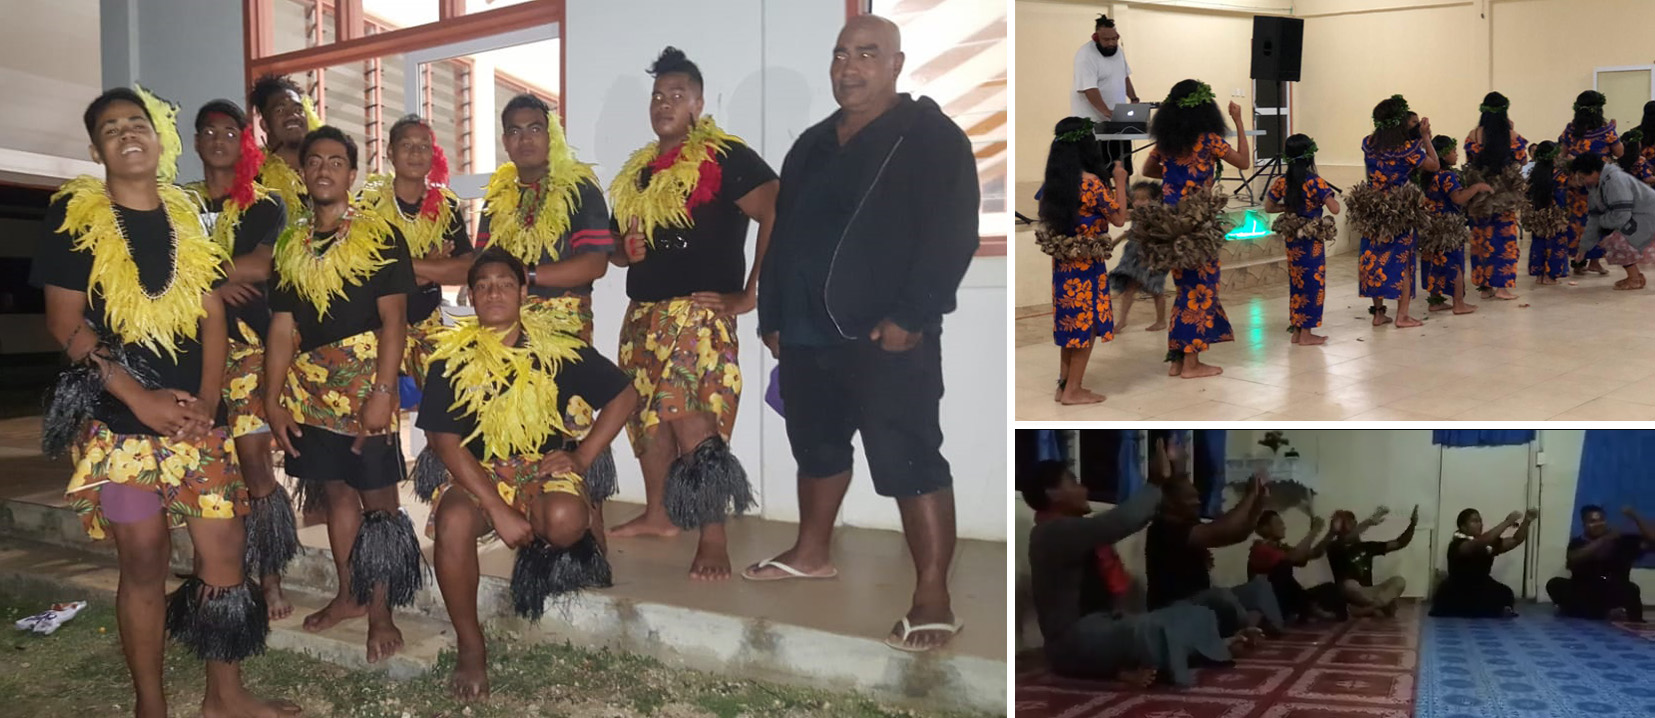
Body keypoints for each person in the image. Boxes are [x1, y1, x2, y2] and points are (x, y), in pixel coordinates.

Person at [34, 86, 299, 718]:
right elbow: (65, 324)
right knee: (145, 560)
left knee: (224, 556)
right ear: (96, 147)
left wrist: (209, 399)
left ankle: (224, 695)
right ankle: (150, 704)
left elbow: (211, 310)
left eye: (138, 123)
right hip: (122, 425)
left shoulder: (184, 215)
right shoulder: (75, 220)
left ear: (159, 140)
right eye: (111, 127)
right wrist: (139, 398)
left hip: (197, 420)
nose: (127, 133)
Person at [749, 15, 979, 654]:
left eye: (867, 54)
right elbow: (785, 232)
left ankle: (932, 592)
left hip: (888, 337)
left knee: (909, 457)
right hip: (803, 335)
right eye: (841, 55)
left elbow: (952, 234)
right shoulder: (813, 144)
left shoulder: (930, 138)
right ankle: (811, 551)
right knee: (815, 447)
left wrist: (914, 315)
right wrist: (772, 314)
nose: (849, 68)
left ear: (897, 64)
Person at [422, 247, 638, 700]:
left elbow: (624, 395)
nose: (493, 292)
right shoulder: (448, 358)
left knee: (562, 520)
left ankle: (553, 539)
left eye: (504, 283)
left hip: (543, 468)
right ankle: (471, 645)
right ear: (471, 297)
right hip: (479, 472)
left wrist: (581, 456)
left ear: (523, 291)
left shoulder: (557, 347)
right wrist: (498, 509)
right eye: (482, 286)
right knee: (454, 520)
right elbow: (444, 442)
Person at [605, 47, 779, 581]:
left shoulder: (726, 157)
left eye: (677, 95)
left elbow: (777, 207)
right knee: (645, 418)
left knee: (695, 422)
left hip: (699, 316)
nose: (665, 103)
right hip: (643, 315)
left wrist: (752, 293)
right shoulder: (637, 171)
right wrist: (622, 252)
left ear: (699, 104)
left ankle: (713, 535)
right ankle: (660, 515)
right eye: (658, 96)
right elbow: (615, 248)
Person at [264, 126, 418, 663]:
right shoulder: (290, 245)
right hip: (309, 390)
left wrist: (383, 391)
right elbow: (282, 328)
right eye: (315, 161)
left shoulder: (380, 235)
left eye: (336, 161)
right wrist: (273, 398)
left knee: (380, 505)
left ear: (351, 175)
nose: (325, 169)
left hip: (365, 384)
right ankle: (349, 595)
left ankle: (381, 612)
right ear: (303, 173)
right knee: (334, 495)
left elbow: (394, 322)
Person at [181, 99, 297, 621]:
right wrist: (213, 284)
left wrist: (206, 272)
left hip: (248, 349)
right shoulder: (177, 205)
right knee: (206, 464)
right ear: (198, 141)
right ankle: (222, 573)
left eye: (230, 130)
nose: (219, 138)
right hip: (188, 355)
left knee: (254, 463)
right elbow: (160, 265)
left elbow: (266, 263)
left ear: (243, 140)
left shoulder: (265, 203)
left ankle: (269, 576)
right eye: (210, 131)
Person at [1025, 439, 1236, 687]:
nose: (1084, 488)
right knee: (1150, 630)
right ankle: (1178, 657)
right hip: (1072, 642)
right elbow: (1120, 521)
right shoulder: (1052, 532)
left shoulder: (1074, 530)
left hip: (1103, 626)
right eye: (1074, 482)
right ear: (1053, 494)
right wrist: (1156, 481)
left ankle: (1204, 649)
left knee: (1194, 613)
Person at [1140, 80, 1250, 379]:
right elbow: (1244, 162)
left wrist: (1173, 177)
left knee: (1185, 289)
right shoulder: (1209, 140)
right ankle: (1191, 363)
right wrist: (1239, 121)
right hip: (1199, 227)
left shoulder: (1166, 142)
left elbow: (1147, 171)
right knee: (1200, 290)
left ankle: (1177, 360)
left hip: (1172, 227)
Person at [356, 114, 473, 389]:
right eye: (406, 145)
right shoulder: (367, 202)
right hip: (374, 325)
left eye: (423, 146)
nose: (416, 153)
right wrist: (434, 268)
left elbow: (466, 268)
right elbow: (363, 270)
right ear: (390, 153)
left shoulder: (446, 205)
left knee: (444, 413)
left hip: (428, 323)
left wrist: (398, 266)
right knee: (378, 415)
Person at [1036, 117, 1129, 405]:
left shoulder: (1054, 184)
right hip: (1086, 265)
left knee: (1069, 325)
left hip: (1064, 265)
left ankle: (1064, 386)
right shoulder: (1091, 185)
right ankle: (1073, 390)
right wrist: (1120, 182)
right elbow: (1118, 218)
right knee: (1086, 325)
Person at [1144, 467, 1283, 643]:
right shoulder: (1162, 529)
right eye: (1191, 498)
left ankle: (1265, 631)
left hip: (1201, 602)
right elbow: (1222, 531)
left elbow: (1237, 535)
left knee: (1259, 586)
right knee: (1221, 597)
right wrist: (1249, 495)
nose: (1197, 502)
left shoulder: (1189, 522)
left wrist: (1258, 504)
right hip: (1174, 608)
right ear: (1170, 502)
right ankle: (1245, 631)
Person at [1350, 96, 1439, 327]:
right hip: (1399, 212)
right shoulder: (1408, 149)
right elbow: (1434, 165)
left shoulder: (1368, 143)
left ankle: (1378, 313)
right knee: (1402, 260)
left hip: (1372, 210)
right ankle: (1402, 315)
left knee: (1373, 258)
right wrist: (1426, 137)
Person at [1263, 134, 1340, 345]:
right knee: (1313, 284)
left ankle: (1298, 331)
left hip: (1293, 241)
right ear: (1309, 156)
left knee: (1297, 283)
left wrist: (1286, 208)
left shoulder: (1282, 182)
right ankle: (1306, 333)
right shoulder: (1315, 182)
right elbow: (1335, 207)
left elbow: (1268, 207)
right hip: (1311, 241)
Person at [1462, 92, 1528, 300]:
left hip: (1480, 196)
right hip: (1504, 197)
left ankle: (1485, 287)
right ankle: (1501, 287)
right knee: (1504, 240)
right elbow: (1522, 160)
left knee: (1481, 240)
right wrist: (1511, 129)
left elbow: (1471, 159)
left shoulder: (1473, 135)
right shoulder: (1510, 136)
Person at [1416, 135, 1488, 312]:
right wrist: (1476, 188)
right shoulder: (1447, 176)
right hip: (1447, 227)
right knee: (1453, 263)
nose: (1456, 155)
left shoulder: (1428, 176)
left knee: (1434, 262)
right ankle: (1458, 303)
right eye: (1453, 151)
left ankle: (1435, 301)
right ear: (1443, 154)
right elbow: (1458, 198)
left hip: (1431, 226)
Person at [1546, 505, 1652, 622]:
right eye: (1592, 521)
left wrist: (1634, 516)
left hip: (1610, 590)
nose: (1598, 524)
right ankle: (1601, 613)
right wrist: (1604, 539)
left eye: (1601, 520)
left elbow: (1652, 539)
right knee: (1555, 584)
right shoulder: (1578, 542)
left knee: (1631, 589)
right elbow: (1574, 558)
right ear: (1584, 525)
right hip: (1584, 591)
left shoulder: (1620, 540)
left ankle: (1591, 612)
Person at [1559, 90, 1623, 276]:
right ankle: (1594, 261)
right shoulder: (1606, 130)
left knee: (1577, 222)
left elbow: (1561, 154)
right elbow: (1620, 153)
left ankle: (1578, 262)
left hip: (1577, 184)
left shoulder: (1571, 130)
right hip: (1599, 183)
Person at [1430, 508, 1536, 618]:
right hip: (1459, 587)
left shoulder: (1489, 543)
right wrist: (1507, 522)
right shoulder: (1458, 544)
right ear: (1463, 527)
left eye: (1480, 521)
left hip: (1481, 585)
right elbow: (1481, 542)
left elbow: (1515, 540)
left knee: (1506, 593)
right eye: (1474, 521)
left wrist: (1527, 521)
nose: (1479, 524)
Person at [1571, 152, 1655, 290]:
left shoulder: (1615, 180)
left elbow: (1621, 215)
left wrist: (1602, 222)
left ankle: (1634, 279)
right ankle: (1636, 276)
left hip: (1648, 217)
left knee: (1615, 241)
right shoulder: (1595, 185)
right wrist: (1583, 248)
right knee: (1613, 239)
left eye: (1583, 177)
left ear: (1594, 172)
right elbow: (1593, 218)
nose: (1583, 181)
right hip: (1638, 218)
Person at [1071, 14, 1140, 175]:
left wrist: (1134, 98)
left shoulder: (1118, 51)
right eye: (1106, 39)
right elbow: (1089, 89)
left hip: (1116, 121)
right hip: (1093, 123)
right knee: (1098, 170)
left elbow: (1124, 76)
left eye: (1114, 39)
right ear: (1096, 38)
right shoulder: (1085, 56)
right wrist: (1107, 112)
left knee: (1122, 167)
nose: (1111, 43)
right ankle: (1102, 199)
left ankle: (1123, 197)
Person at [1248, 511, 1341, 622]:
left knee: (1330, 589)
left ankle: (1307, 609)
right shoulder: (1259, 549)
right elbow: (1294, 557)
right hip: (1270, 603)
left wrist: (1331, 533)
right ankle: (1306, 609)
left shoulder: (1280, 548)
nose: (1283, 527)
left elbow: (1314, 553)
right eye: (1278, 523)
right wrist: (1313, 532)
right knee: (1283, 568)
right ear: (1264, 529)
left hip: (1286, 597)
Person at [1326, 505, 1416, 617]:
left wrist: (1413, 525)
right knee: (1349, 584)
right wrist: (1369, 522)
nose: (1350, 527)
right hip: (1350, 593)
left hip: (1369, 592)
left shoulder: (1367, 546)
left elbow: (1400, 543)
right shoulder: (1334, 547)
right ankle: (1381, 605)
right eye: (1345, 524)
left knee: (1399, 581)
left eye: (1351, 523)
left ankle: (1369, 608)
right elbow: (1346, 540)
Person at [247, 74, 314, 216]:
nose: (292, 115)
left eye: (298, 110)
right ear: (264, 125)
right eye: (280, 110)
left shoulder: (324, 168)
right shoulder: (254, 182)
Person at [1107, 180, 1168, 332]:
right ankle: (1122, 321)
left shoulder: (1157, 215)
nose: (1138, 203)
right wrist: (1116, 241)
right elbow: (1131, 232)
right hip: (1134, 256)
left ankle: (1161, 320)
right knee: (1129, 288)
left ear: (1155, 200)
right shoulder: (1137, 215)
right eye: (1135, 199)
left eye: (1143, 199)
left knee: (1156, 289)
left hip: (1152, 256)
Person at [1521, 142, 1572, 284]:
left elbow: (1527, 193)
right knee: (1556, 243)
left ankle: (1539, 274)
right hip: (1555, 216)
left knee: (1539, 243)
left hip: (1538, 214)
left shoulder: (1535, 173)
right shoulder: (1559, 175)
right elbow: (1564, 194)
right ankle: (1551, 275)